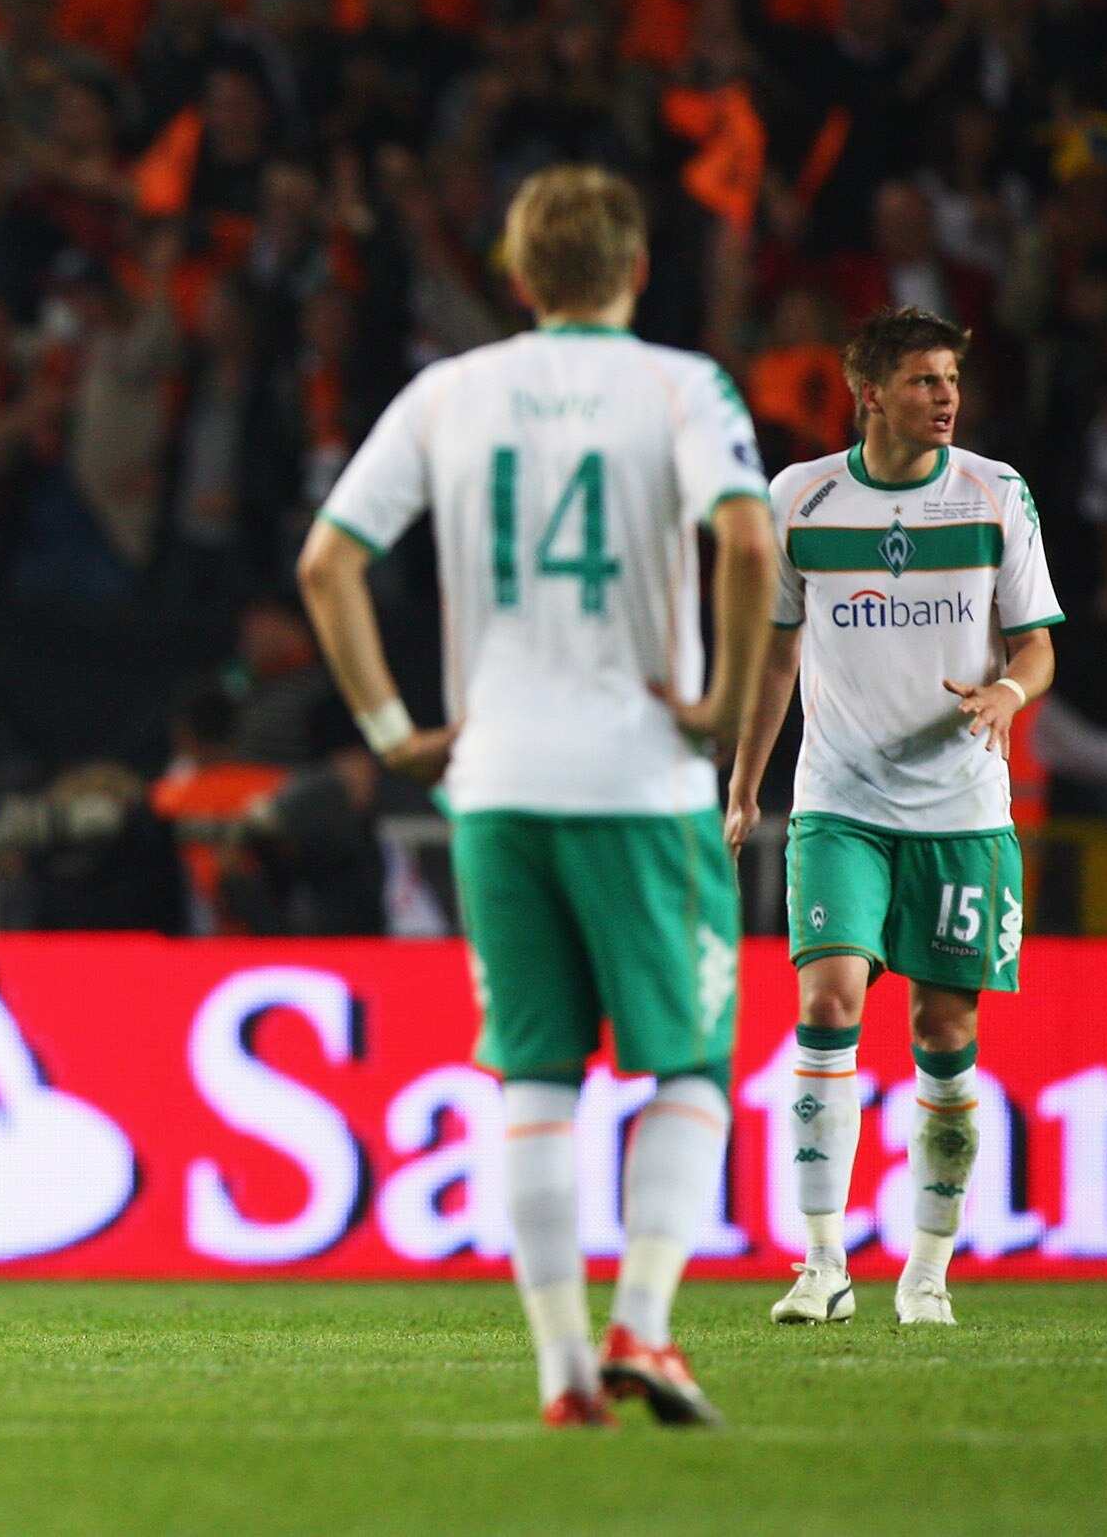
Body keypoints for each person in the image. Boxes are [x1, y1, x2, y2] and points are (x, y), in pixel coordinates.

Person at [296, 166, 777, 1429]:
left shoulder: (449, 390)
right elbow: (747, 536)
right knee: (685, 1058)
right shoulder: (681, 384)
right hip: (640, 779)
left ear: (516, 276)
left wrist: (396, 728)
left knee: (535, 1077)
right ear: (635, 268)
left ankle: (566, 1369)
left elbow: (326, 561)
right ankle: (649, 1327)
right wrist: (727, 703)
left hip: (495, 783)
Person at [726, 306, 1059, 1330]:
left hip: (962, 810)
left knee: (943, 1029)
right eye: (922, 379)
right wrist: (746, 783)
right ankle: (820, 1261)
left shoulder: (996, 492)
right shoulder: (803, 498)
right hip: (842, 802)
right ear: (868, 392)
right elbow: (777, 652)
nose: (945, 394)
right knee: (828, 1004)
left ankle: (926, 1269)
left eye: (951, 376)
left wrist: (1008, 693)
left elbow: (1038, 643)